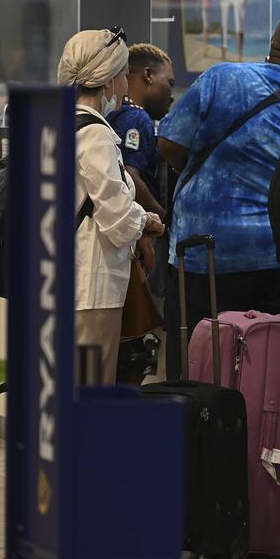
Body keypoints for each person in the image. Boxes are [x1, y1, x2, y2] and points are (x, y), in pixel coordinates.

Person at [156, 13, 280, 377]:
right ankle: (252, 432)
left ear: (272, 46)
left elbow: (169, 143)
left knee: (192, 357)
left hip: (201, 251)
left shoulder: (220, 78)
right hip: (271, 256)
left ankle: (192, 429)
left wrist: (203, 179)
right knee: (259, 365)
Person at [57, 28, 165, 383]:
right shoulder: (96, 135)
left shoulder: (57, 127)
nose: (123, 84)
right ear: (106, 82)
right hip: (92, 285)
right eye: (120, 75)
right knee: (91, 386)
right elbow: (117, 217)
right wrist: (147, 220)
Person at [108, 43, 175, 219]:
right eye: (170, 83)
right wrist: (164, 218)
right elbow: (129, 176)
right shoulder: (138, 119)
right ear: (148, 75)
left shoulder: (114, 113)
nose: (172, 95)